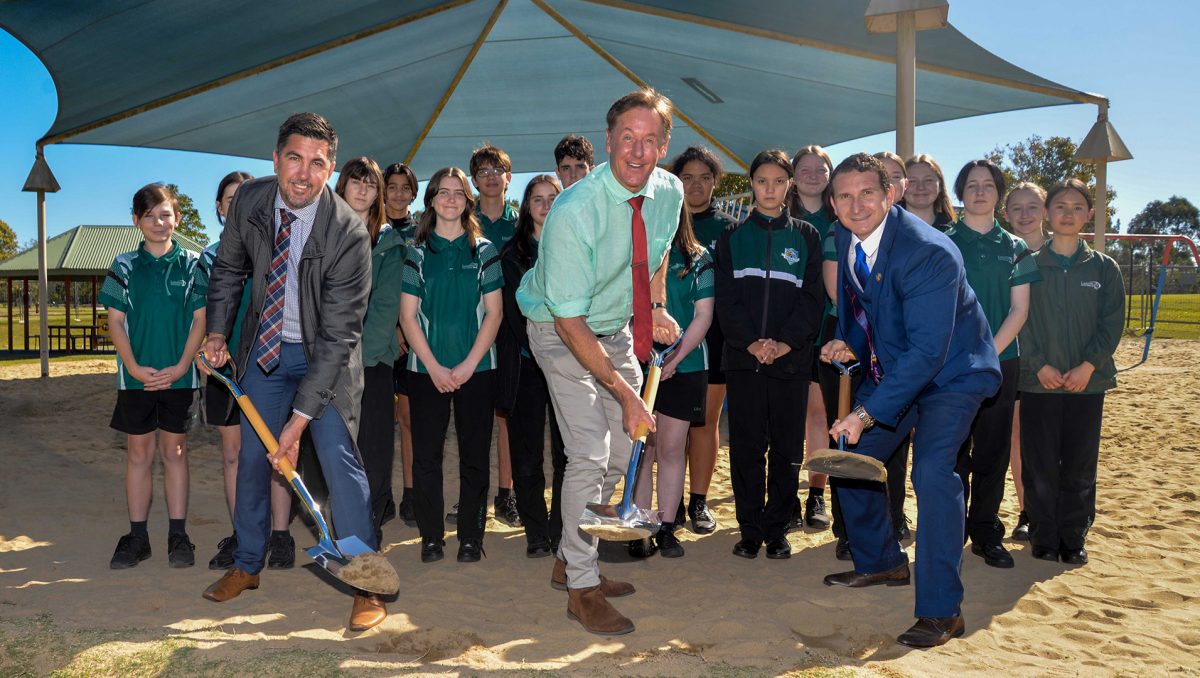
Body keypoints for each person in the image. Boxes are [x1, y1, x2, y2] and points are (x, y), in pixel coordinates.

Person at [200, 112, 385, 633]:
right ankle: (247, 563)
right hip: (264, 352)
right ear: (276, 158)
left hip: (325, 359)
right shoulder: (251, 203)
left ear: (331, 170)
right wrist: (217, 331)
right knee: (255, 459)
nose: (304, 174)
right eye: (295, 159)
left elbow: (341, 333)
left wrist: (299, 422)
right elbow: (228, 270)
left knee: (338, 460)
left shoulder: (349, 232)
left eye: (318, 163)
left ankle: (366, 582)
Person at [516, 88, 683, 636]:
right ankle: (581, 589)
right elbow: (568, 323)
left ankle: (572, 555)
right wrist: (625, 390)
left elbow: (654, 253)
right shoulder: (573, 210)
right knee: (589, 453)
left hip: (615, 327)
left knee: (625, 451)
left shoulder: (669, 190)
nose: (638, 151)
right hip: (559, 329)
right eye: (627, 139)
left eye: (650, 140)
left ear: (664, 145)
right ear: (609, 141)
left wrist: (656, 306)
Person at [821, 153, 1000, 648]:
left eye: (867, 193)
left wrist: (864, 411)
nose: (856, 205)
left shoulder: (929, 252)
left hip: (953, 374)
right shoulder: (845, 234)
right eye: (845, 196)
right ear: (833, 203)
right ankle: (883, 564)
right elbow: (862, 307)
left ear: (890, 194)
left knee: (931, 472)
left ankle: (943, 612)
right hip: (903, 367)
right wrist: (847, 344)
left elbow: (928, 352)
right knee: (852, 458)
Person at [715, 149, 822, 561]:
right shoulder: (731, 238)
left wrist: (784, 343)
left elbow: (812, 300)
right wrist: (751, 343)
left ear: (789, 185)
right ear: (752, 184)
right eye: (762, 181)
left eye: (779, 181)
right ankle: (749, 530)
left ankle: (776, 529)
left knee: (786, 449)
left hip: (790, 362)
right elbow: (726, 300)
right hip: (744, 361)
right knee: (745, 448)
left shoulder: (806, 237)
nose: (770, 189)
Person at [399, 167, 503, 565]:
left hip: (478, 370)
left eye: (458, 193)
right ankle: (431, 538)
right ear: (431, 201)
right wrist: (438, 369)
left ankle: (471, 538)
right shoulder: (417, 251)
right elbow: (408, 317)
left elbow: (494, 314)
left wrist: (467, 366)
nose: (451, 199)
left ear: (467, 200)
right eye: (443, 192)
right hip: (426, 371)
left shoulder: (485, 250)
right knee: (426, 456)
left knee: (475, 456)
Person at [1018, 178, 1124, 566]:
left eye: (1077, 207)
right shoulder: (1028, 264)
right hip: (1039, 382)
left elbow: (1112, 323)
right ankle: (1044, 535)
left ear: (1090, 216)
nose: (1068, 213)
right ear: (1047, 213)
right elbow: (1020, 319)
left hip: (1087, 384)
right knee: (1041, 464)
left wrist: (1088, 365)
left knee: (1080, 465)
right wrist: (1038, 364)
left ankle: (1073, 536)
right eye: (1060, 206)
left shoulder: (1104, 268)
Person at [103, 183, 207, 570]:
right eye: (150, 216)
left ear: (176, 218)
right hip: (136, 379)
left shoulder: (194, 264)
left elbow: (200, 318)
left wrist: (181, 367)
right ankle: (137, 537)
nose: (159, 222)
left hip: (179, 378)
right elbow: (115, 321)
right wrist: (132, 367)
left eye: (166, 215)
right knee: (139, 454)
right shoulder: (124, 265)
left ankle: (178, 535)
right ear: (137, 221)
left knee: (175, 452)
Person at [201, 171, 297, 571]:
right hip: (226, 366)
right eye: (229, 197)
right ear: (221, 208)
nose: (238, 203)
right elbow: (201, 314)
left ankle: (281, 534)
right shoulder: (208, 257)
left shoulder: (275, 248)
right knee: (235, 455)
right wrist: (205, 352)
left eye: (245, 196)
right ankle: (243, 533)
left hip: (266, 360)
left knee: (277, 450)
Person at [946, 160, 1039, 569]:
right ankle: (949, 532)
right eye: (971, 185)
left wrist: (987, 355)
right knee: (950, 454)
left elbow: (1019, 311)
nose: (979, 191)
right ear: (960, 192)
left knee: (993, 453)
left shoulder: (1016, 247)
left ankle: (984, 532)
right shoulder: (942, 240)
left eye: (987, 185)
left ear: (998, 194)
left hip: (1002, 363)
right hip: (949, 365)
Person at [629, 205, 714, 559]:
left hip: (687, 364)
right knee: (642, 449)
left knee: (671, 449)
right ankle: (640, 528)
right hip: (637, 365)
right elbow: (624, 311)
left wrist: (674, 357)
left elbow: (703, 315)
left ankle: (666, 527)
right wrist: (646, 354)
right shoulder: (632, 255)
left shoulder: (699, 257)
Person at [497, 174, 566, 557]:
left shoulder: (575, 248)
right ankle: (536, 533)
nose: (544, 205)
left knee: (566, 454)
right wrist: (544, 350)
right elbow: (513, 313)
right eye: (537, 199)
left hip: (570, 365)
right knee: (527, 455)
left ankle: (560, 529)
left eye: (552, 198)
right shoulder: (512, 254)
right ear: (526, 207)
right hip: (527, 364)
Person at [336, 157, 403, 548]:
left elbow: (384, 308)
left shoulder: (391, 242)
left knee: (374, 449)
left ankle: (369, 527)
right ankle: (342, 525)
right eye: (355, 182)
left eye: (371, 184)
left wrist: (358, 354)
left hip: (373, 361)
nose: (362, 190)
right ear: (342, 187)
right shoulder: (322, 233)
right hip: (328, 362)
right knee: (338, 448)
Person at [671, 146, 735, 534]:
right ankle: (671, 503)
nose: (696, 185)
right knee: (667, 429)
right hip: (664, 346)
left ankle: (698, 501)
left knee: (704, 424)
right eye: (687, 177)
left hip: (714, 340)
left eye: (704, 177)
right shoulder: (664, 223)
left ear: (715, 181)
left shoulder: (727, 229)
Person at [469, 144, 520, 528]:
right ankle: (472, 497)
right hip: (469, 329)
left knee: (506, 415)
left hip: (512, 331)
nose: (489, 176)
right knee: (471, 420)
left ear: (508, 176)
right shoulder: (460, 220)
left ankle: (506, 494)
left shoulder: (521, 226)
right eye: (482, 170)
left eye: (496, 170)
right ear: (473, 180)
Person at [787, 145, 837, 531]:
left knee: (819, 415)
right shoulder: (780, 215)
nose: (812, 174)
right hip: (786, 330)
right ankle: (784, 494)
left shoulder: (840, 216)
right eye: (804, 168)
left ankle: (816, 495)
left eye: (820, 168)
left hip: (828, 329)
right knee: (784, 419)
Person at [1002, 181, 1049, 540]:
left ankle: (1048, 510)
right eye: (1016, 207)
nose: (1024, 214)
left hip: (1052, 362)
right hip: (1013, 358)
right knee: (1018, 438)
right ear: (1006, 213)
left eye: (1032, 206)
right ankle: (1026, 511)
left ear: (1044, 210)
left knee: (1049, 439)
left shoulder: (1058, 253)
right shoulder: (1005, 252)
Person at [382, 161, 420, 527]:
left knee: (408, 419)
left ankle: (411, 493)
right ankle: (380, 494)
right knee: (376, 421)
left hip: (411, 339)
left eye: (403, 187)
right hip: (377, 336)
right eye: (390, 187)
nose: (397, 193)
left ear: (413, 192)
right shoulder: (369, 226)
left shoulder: (420, 231)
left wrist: (407, 329)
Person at [903, 154, 956, 230]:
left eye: (928, 180)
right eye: (912, 181)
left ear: (940, 185)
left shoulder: (953, 233)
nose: (921, 187)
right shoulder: (887, 228)